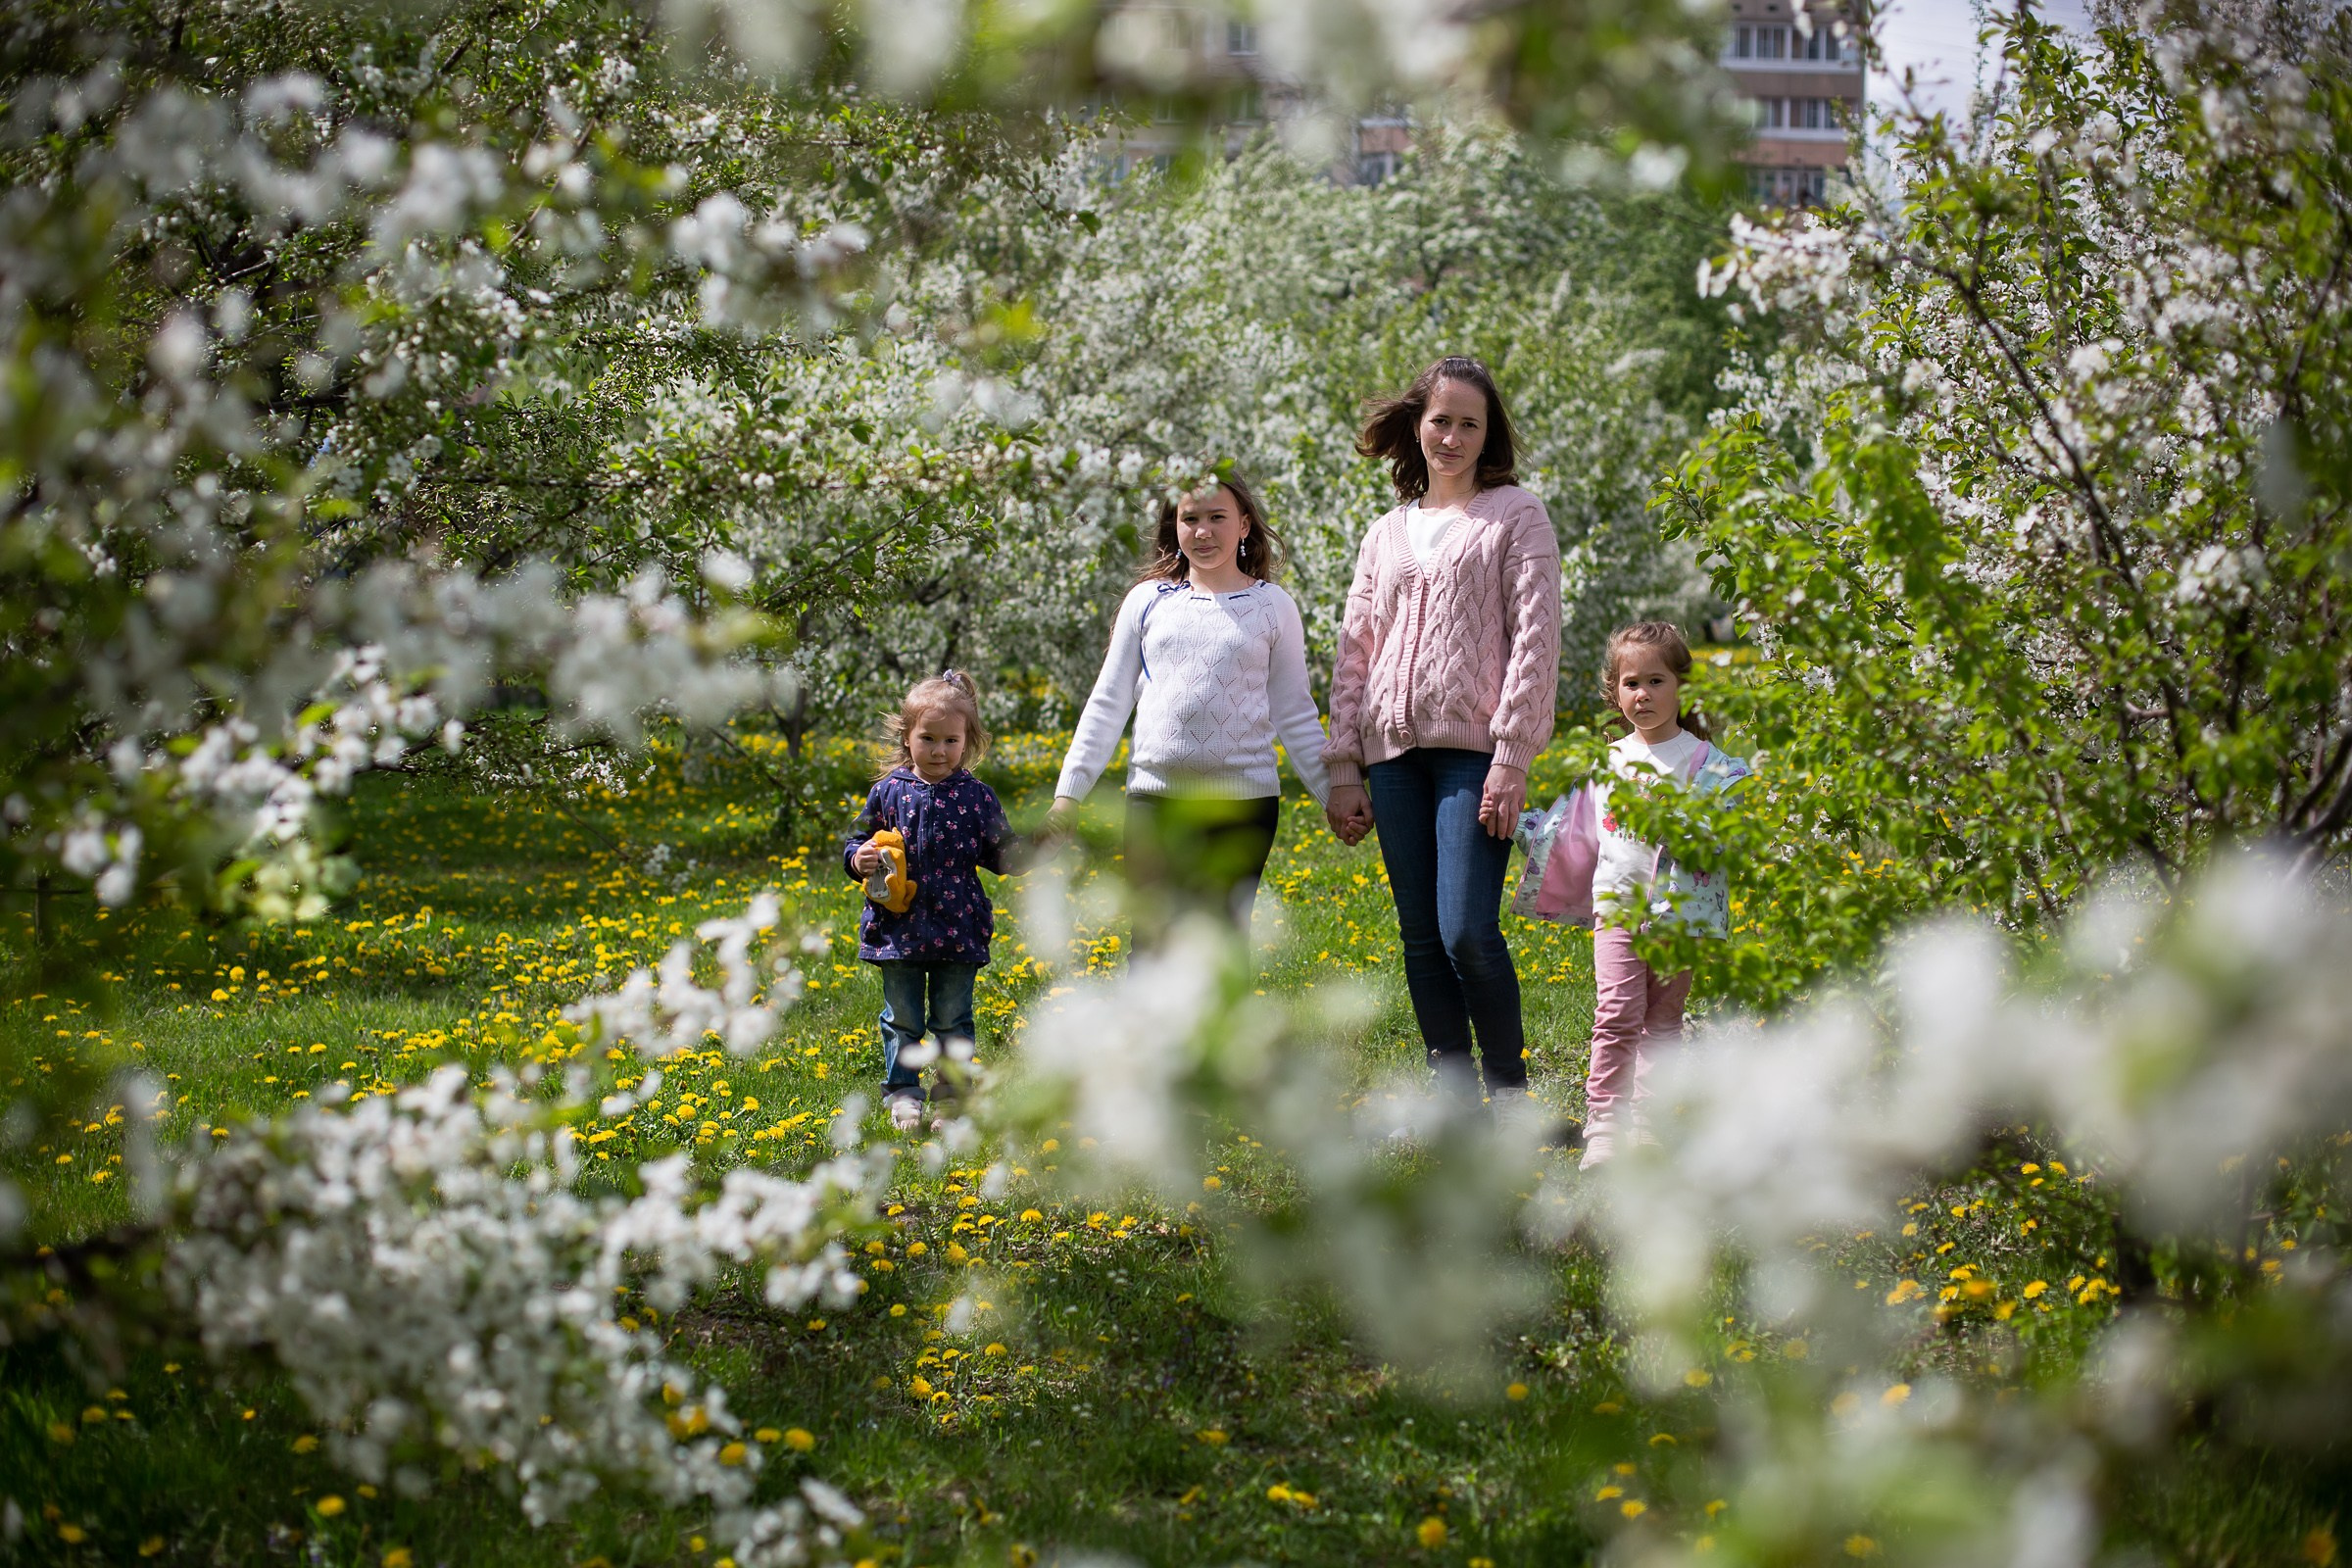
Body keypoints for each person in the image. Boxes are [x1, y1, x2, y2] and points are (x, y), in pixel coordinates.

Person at [1325, 356, 1561, 1106]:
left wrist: (1513, 757)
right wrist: (1342, 765)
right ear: (1416, 427)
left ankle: (1513, 1097)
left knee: (1466, 932)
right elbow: (1356, 648)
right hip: (1392, 756)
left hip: (1476, 756)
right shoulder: (1386, 533)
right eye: (1440, 421)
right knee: (1421, 938)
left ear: (1488, 435)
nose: (1452, 437)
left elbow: (1536, 638)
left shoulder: (1516, 515)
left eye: (1469, 423)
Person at [1050, 475, 1331, 935]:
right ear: (1174, 527)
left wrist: (1333, 793)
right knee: (1154, 943)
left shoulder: (1272, 606)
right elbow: (1108, 702)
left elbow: (1295, 711)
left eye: (1217, 517)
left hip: (1242, 806)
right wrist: (1068, 795)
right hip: (1155, 802)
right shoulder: (1147, 601)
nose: (1203, 531)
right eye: (1190, 519)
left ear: (1243, 525)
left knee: (1220, 948)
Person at [1581, 620, 1749, 1168]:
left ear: (1682, 688)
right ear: (1615, 692)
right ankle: (1605, 1123)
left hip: (1682, 916)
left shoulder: (1711, 765)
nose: (1643, 695)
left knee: (1662, 1020)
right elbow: (1578, 832)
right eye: (1631, 683)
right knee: (1616, 1014)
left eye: (1656, 681)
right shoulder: (1609, 761)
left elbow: (1731, 837)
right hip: (1618, 909)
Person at [844, 670, 1016, 1133]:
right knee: (902, 1017)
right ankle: (903, 1091)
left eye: (951, 741)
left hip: (958, 925)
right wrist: (857, 858)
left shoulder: (977, 797)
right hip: (897, 927)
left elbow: (1000, 854)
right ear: (907, 736)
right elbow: (858, 839)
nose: (939, 751)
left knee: (952, 1018)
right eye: (928, 738)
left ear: (968, 742)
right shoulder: (888, 792)